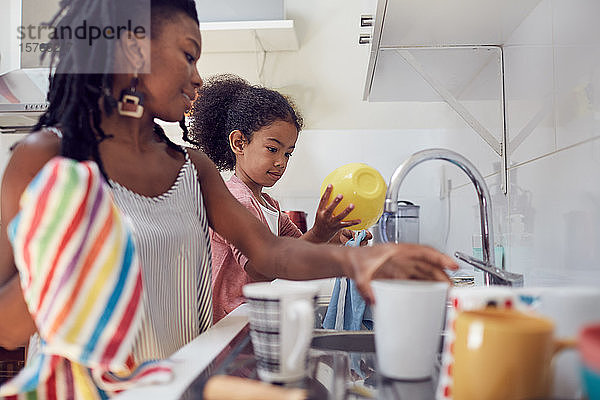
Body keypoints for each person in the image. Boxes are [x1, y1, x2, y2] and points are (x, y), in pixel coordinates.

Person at [0, 0, 457, 369]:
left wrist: (359, 260)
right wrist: (65, 255)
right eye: (188, 54)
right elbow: (7, 328)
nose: (198, 77)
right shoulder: (47, 157)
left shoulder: (192, 169)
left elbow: (271, 252)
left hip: (179, 382)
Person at [188, 75, 372, 322]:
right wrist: (320, 232)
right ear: (239, 142)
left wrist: (338, 238)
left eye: (288, 153)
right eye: (273, 149)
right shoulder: (236, 200)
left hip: (251, 317)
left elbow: (299, 251)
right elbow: (262, 269)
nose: (281, 162)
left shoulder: (269, 205)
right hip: (229, 323)